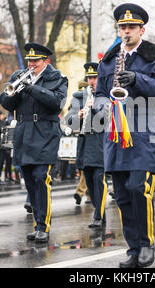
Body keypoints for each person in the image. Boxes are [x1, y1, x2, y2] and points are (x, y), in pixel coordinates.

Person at [94, 3, 155, 268]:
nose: (126, 31)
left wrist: (138, 79)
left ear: (142, 29)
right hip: (116, 135)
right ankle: (133, 248)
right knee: (122, 194)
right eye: (122, 27)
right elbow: (99, 94)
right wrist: (101, 106)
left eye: (131, 27)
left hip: (143, 133)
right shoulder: (109, 59)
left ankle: (146, 244)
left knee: (138, 188)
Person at [0, 42, 68, 243]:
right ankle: (37, 223)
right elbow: (5, 102)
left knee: (41, 177)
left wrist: (32, 89)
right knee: (29, 181)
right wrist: (17, 91)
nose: (31, 64)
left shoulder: (57, 78)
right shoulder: (18, 77)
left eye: (35, 61)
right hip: (23, 132)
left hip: (45, 132)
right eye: (29, 61)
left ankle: (43, 226)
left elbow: (57, 102)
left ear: (46, 61)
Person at [66, 62, 107, 228]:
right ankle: (99, 210)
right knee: (89, 179)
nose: (92, 81)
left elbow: (108, 117)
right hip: (84, 142)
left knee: (98, 178)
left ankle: (98, 215)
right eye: (89, 78)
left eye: (95, 77)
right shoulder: (79, 97)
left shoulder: (106, 96)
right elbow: (69, 120)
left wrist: (95, 108)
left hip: (100, 141)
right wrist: (79, 116)